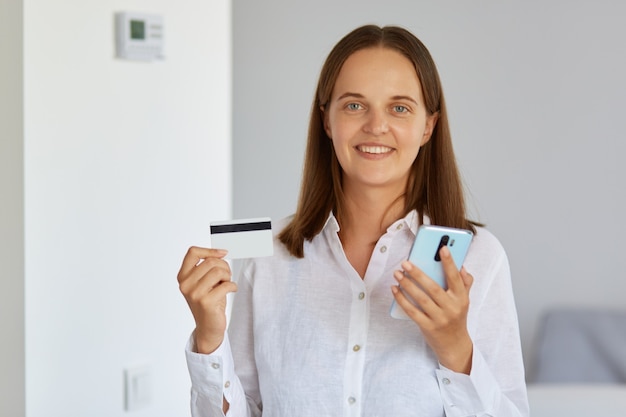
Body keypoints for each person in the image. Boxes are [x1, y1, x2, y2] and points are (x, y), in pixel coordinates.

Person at [177, 24, 529, 416]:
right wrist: (209, 340)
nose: (376, 126)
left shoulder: (480, 258)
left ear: (428, 125)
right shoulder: (270, 256)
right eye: (354, 105)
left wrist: (455, 348)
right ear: (327, 120)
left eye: (399, 107)